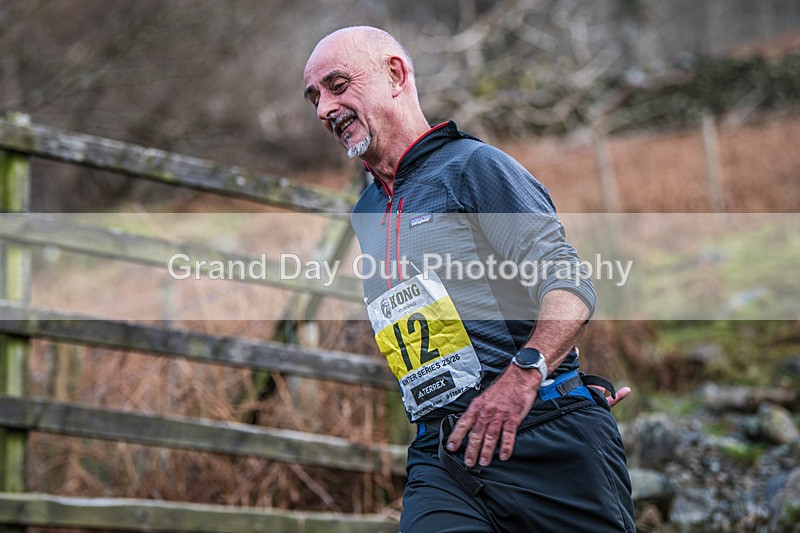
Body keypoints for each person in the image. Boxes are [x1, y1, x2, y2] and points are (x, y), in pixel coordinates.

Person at [303, 26, 635, 532]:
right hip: (444, 456)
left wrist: (530, 375)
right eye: (315, 97)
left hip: (541, 438)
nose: (324, 108)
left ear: (395, 75)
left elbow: (569, 283)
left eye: (337, 85)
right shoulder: (367, 209)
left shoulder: (474, 167)